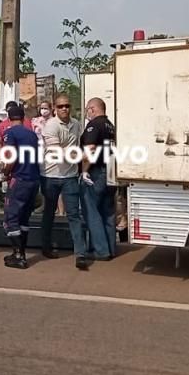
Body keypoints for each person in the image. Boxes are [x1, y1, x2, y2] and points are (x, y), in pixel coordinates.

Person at [39, 94, 86, 268]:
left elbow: (79, 146)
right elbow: (57, 152)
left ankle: (80, 253)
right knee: (49, 213)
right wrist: (79, 156)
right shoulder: (50, 126)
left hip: (70, 176)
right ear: (54, 109)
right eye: (60, 106)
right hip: (50, 175)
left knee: (74, 214)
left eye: (67, 106)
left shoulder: (76, 124)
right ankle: (46, 247)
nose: (64, 109)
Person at [0, 105, 41, 269]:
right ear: (24, 118)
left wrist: (4, 171)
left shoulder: (10, 133)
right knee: (24, 218)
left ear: (9, 119)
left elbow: (10, 158)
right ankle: (20, 252)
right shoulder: (32, 134)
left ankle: (19, 256)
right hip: (33, 180)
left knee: (11, 218)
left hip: (20, 179)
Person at [79, 97, 117, 261]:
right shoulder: (111, 126)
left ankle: (101, 251)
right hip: (111, 171)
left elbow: (90, 150)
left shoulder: (94, 125)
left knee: (91, 210)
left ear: (93, 109)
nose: (87, 113)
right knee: (107, 212)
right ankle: (110, 248)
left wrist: (84, 171)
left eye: (88, 109)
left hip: (97, 172)